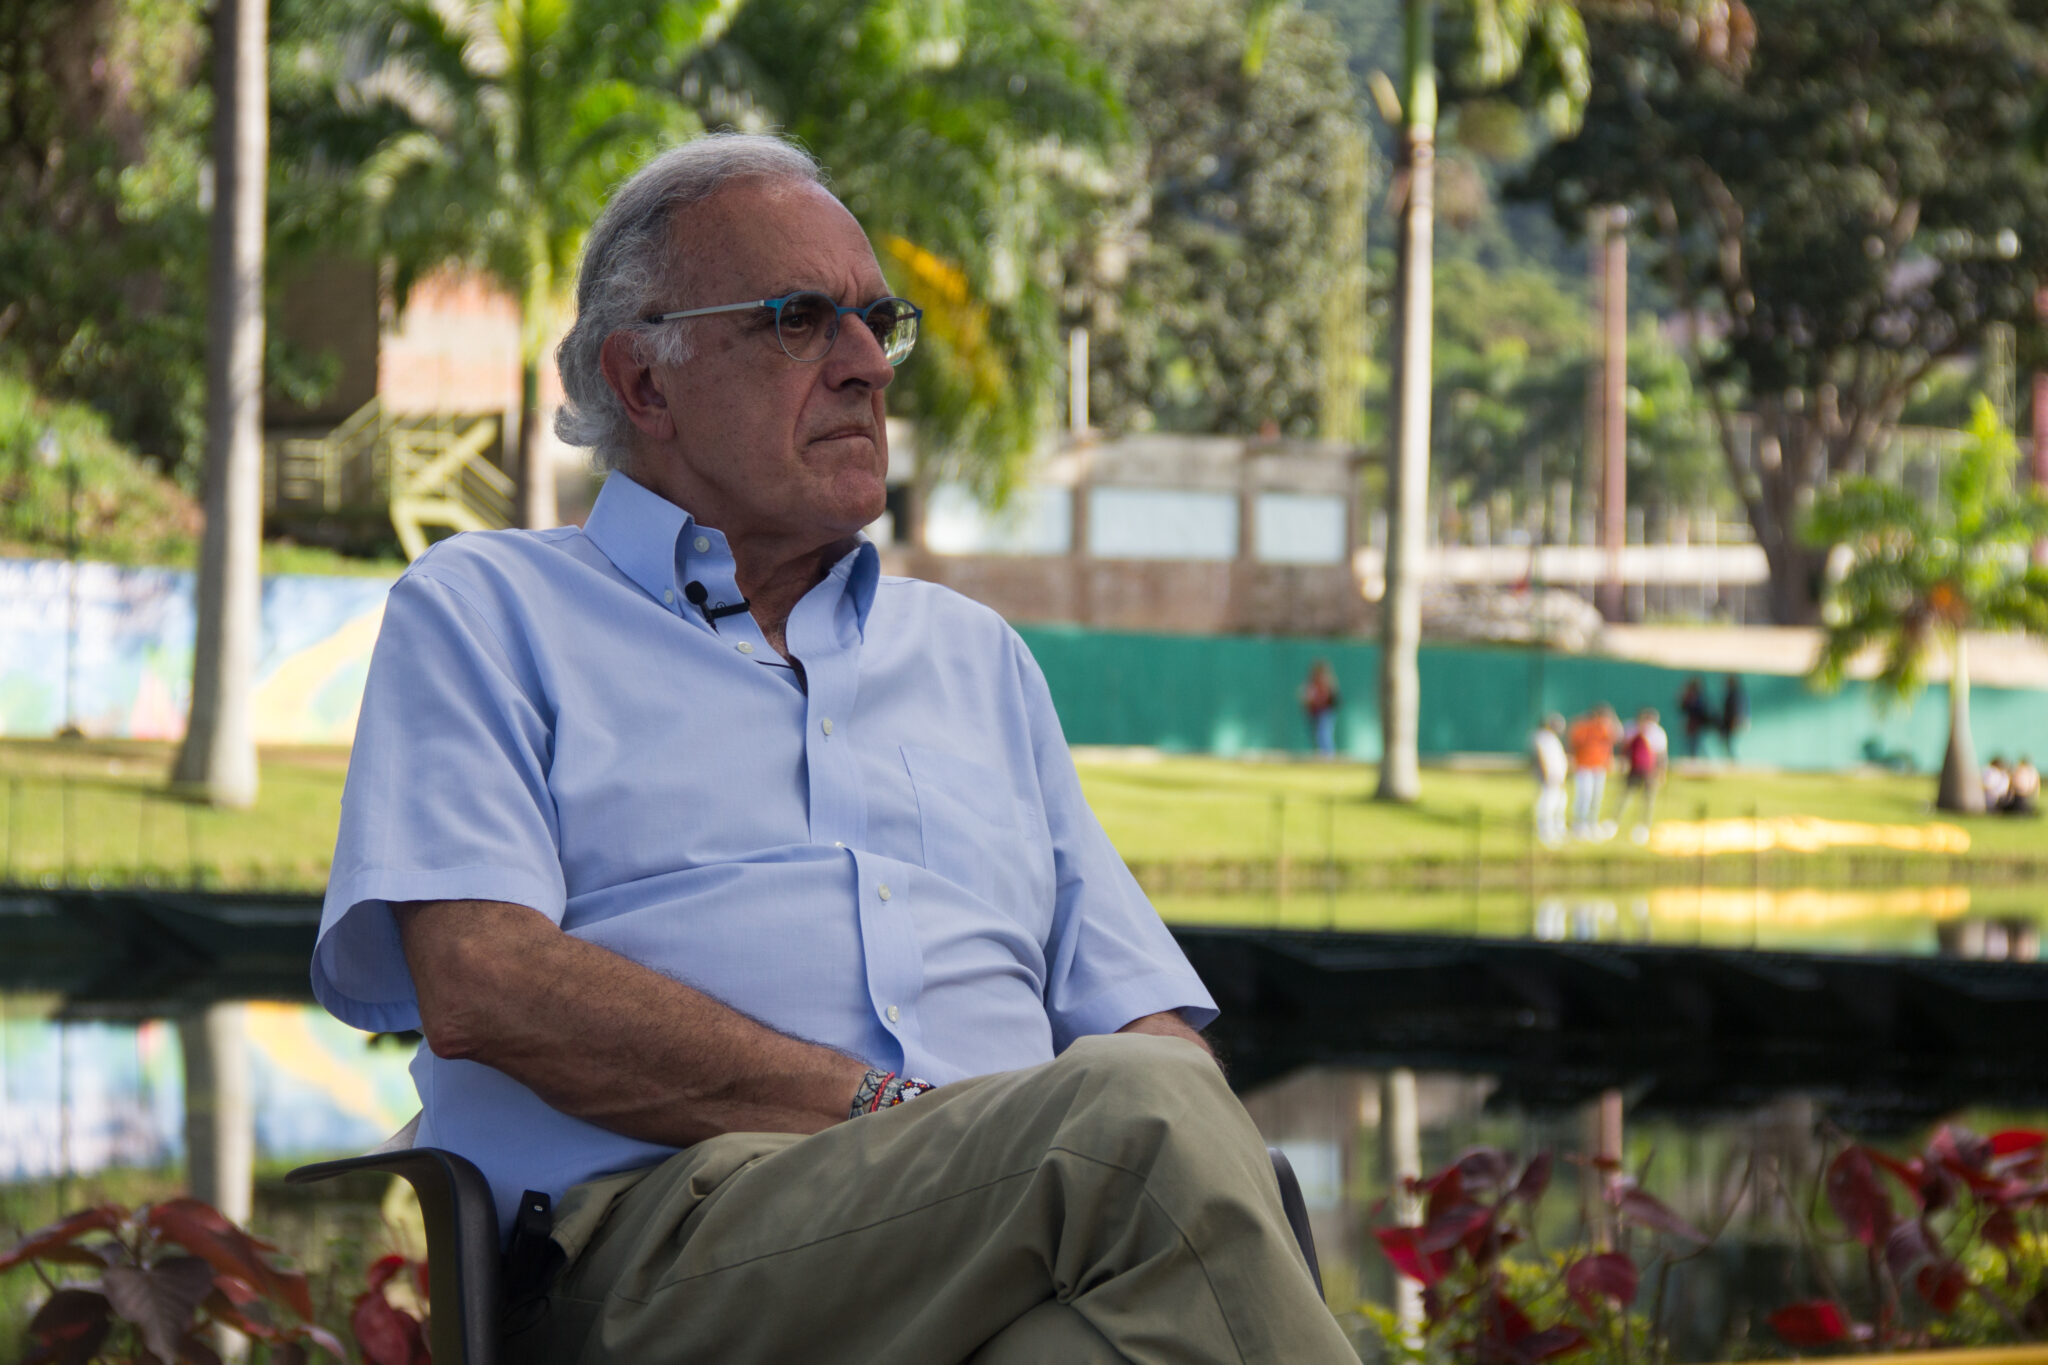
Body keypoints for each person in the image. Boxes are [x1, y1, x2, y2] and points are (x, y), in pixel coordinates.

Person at [311, 135, 1352, 1365]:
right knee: (1142, 1117)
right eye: (799, 320)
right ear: (643, 382)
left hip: (1016, 1241)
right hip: (657, 1250)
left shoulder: (973, 657)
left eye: (876, 322)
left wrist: (1025, 1152)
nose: (864, 366)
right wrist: (898, 1119)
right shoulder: (490, 608)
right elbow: (485, 982)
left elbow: (1144, 1021)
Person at [1611, 708, 1669, 844]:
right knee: (1626, 795)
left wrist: (1661, 771)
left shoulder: (1657, 733)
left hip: (1650, 770)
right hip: (1634, 768)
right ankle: (1615, 821)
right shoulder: (1632, 730)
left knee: (1648, 799)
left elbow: (1661, 754)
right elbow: (1624, 748)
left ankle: (1644, 825)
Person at [1567, 704, 1623, 839]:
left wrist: (1613, 719)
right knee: (1584, 796)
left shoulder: (1606, 727)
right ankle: (1579, 824)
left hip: (1599, 767)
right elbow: (1573, 741)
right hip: (1584, 766)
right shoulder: (1583, 726)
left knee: (1596, 797)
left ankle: (1591, 823)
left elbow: (1619, 736)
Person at [1530, 713, 1569, 847]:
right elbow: (1542, 757)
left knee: (1560, 803)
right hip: (1549, 778)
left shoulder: (1552, 738)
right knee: (1547, 804)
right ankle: (1545, 831)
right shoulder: (1542, 737)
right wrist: (1547, 774)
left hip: (1557, 777)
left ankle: (1558, 829)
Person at [1301, 659, 1340, 757]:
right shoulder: (1312, 684)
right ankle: (1324, 753)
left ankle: (1329, 754)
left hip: (1326, 711)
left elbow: (1332, 698)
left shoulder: (1328, 683)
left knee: (1324, 733)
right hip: (1315, 712)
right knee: (1318, 734)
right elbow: (1307, 698)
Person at [1677, 677, 1713, 759]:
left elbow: (1702, 710)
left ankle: (1698, 757)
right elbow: (1683, 707)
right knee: (1691, 744)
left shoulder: (1700, 697)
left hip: (1698, 724)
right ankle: (1692, 757)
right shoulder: (1690, 696)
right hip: (1692, 724)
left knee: (1698, 743)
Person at [1719, 673, 1749, 759]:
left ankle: (1733, 759)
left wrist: (1735, 721)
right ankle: (1731, 759)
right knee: (1728, 743)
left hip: (1733, 723)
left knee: (1731, 743)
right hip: (1728, 723)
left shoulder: (1736, 694)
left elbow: (1737, 708)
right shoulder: (1731, 693)